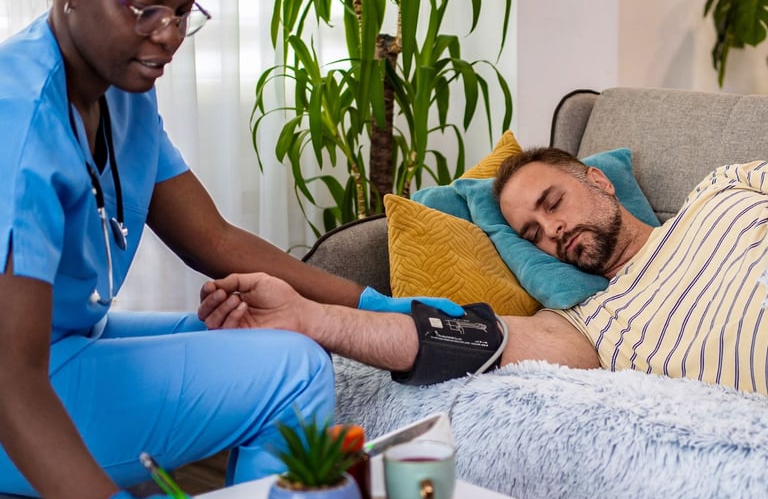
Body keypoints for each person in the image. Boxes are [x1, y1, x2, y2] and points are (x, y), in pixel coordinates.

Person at [0, 0, 458, 499]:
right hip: (18, 391)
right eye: (145, 8)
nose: (168, 35)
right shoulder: (18, 121)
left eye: (184, 12)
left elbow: (212, 237)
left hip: (67, 348)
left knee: (264, 333)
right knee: (291, 370)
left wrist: (377, 305)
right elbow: (9, 371)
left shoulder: (119, 89)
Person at [199, 147, 768, 398]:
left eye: (553, 202)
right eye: (533, 234)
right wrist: (310, 318)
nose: (552, 231)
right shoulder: (592, 322)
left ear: (599, 181)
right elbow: (463, 337)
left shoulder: (721, 189)